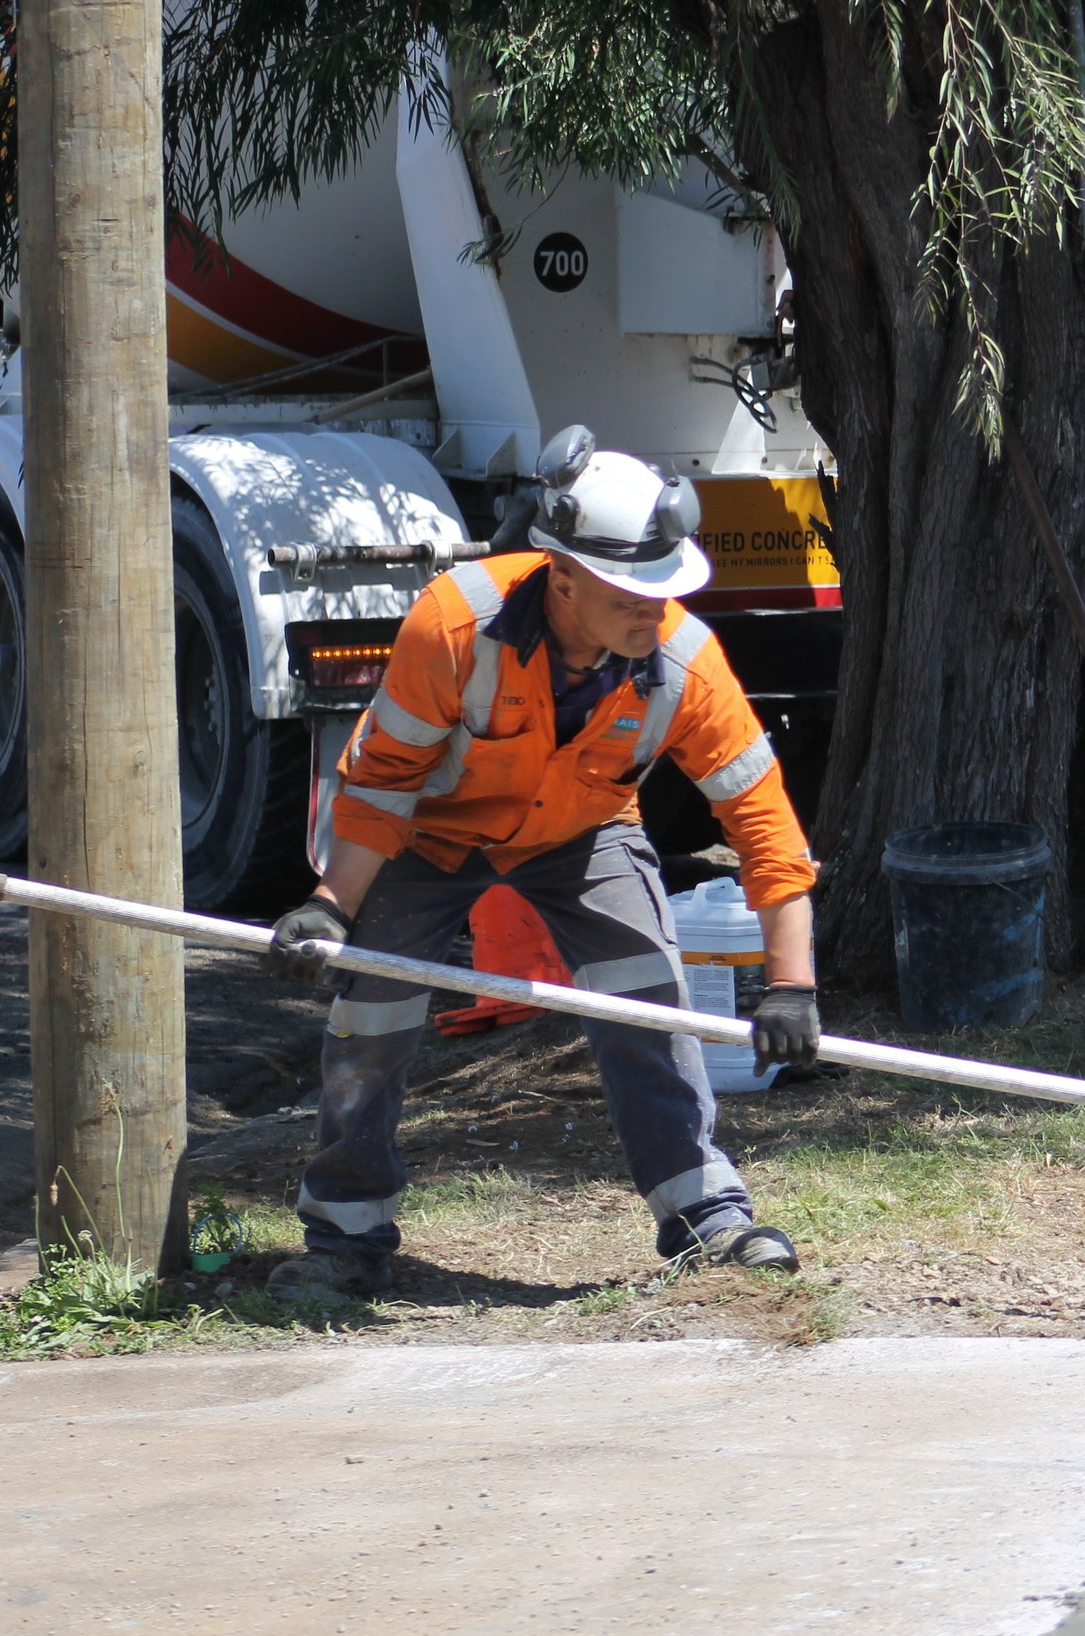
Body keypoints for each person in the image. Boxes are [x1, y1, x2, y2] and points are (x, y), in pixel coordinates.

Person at [259, 427, 822, 1304]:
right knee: (372, 1015)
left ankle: (705, 1214)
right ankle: (346, 1235)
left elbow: (765, 828)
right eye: (633, 594)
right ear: (561, 577)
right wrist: (331, 906)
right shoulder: (452, 624)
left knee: (648, 994)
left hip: (583, 834)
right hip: (430, 837)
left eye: (665, 591)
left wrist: (792, 985)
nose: (654, 612)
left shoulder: (684, 661)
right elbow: (383, 785)